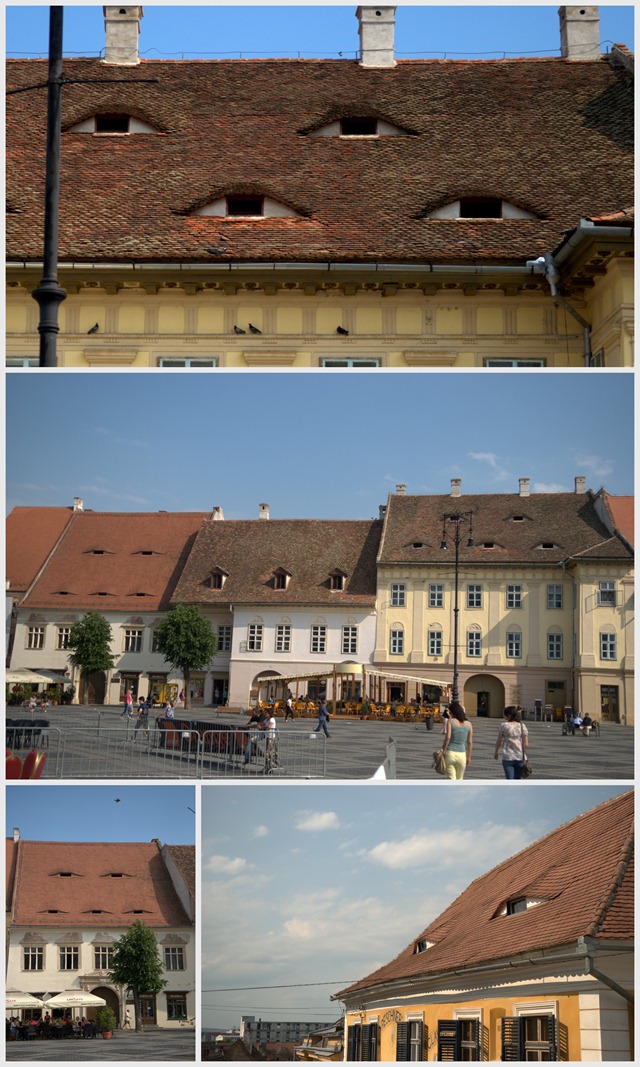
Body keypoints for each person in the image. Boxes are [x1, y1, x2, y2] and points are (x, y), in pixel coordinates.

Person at [494, 705, 528, 779]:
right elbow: (526, 744)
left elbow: (499, 741)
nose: (504, 717)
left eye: (505, 715)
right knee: (518, 780)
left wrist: (496, 752)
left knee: (509, 780)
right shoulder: (522, 726)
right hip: (520, 757)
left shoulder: (503, 725)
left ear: (509, 716)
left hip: (508, 756)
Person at [441, 702, 472, 780]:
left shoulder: (451, 721)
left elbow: (448, 738)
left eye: (450, 712)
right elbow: (470, 742)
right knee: (460, 778)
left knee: (451, 778)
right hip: (462, 754)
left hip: (450, 753)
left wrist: (443, 750)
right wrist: (469, 757)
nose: (450, 714)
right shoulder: (469, 724)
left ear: (453, 712)